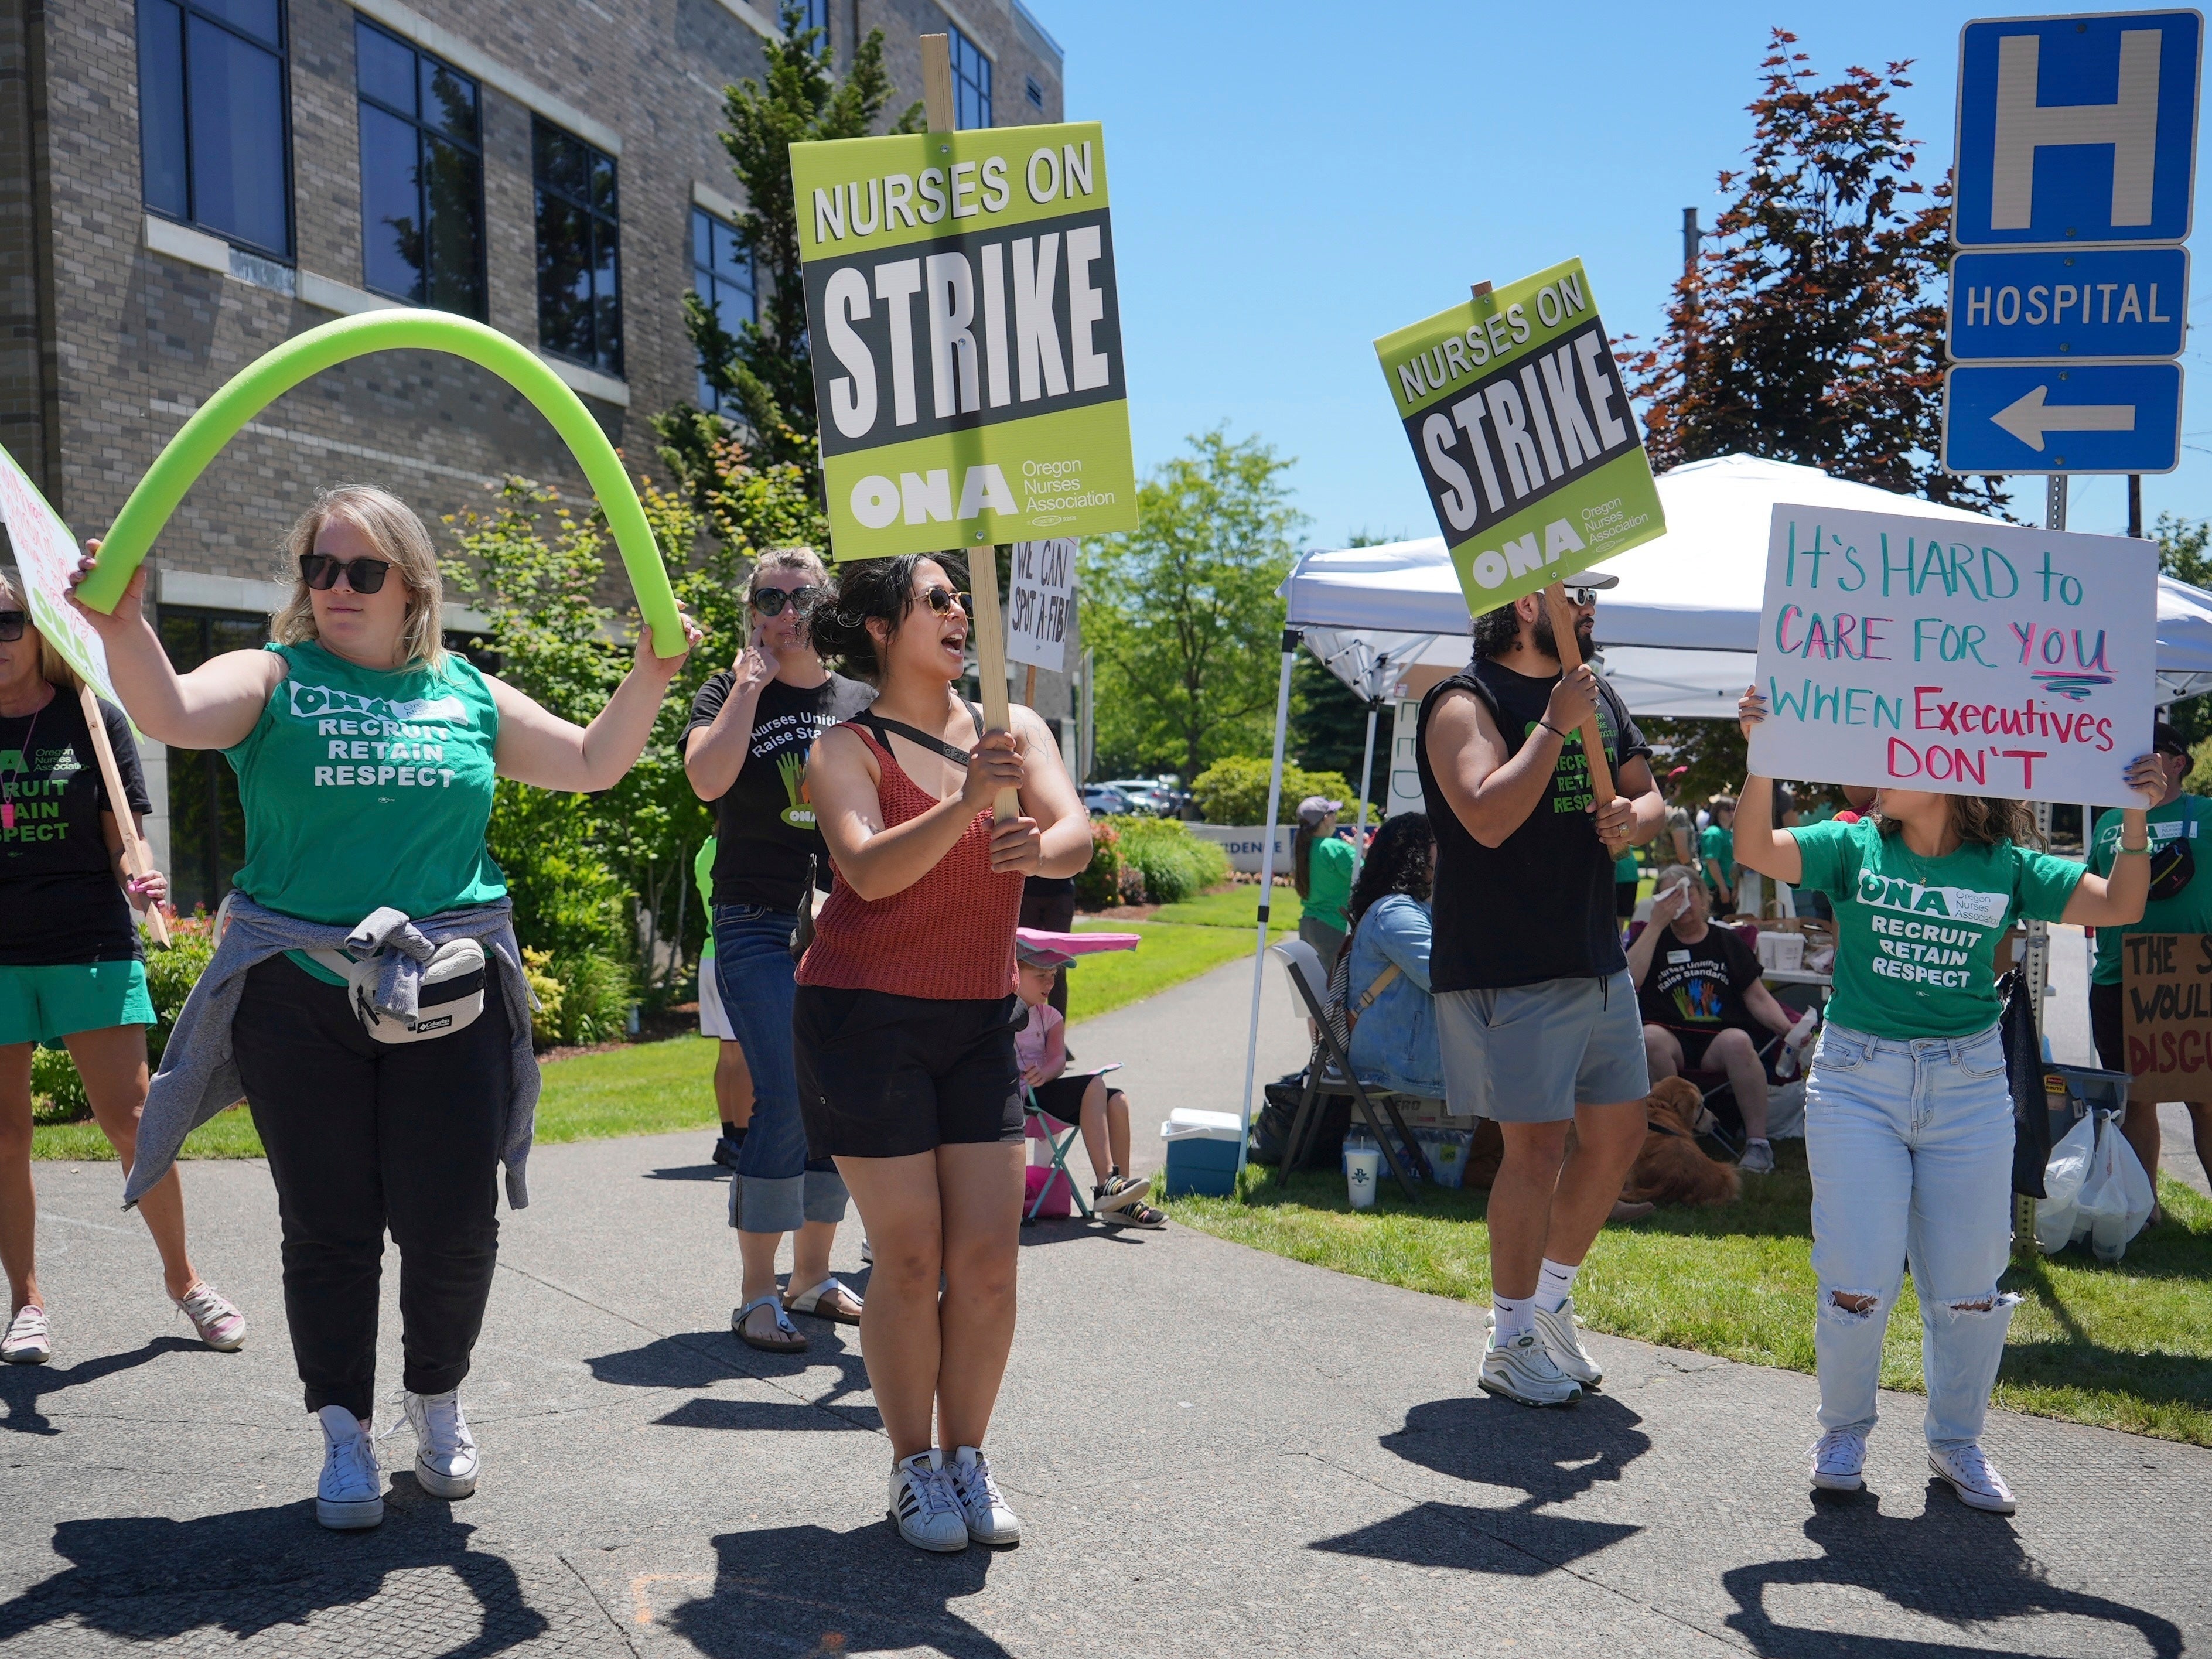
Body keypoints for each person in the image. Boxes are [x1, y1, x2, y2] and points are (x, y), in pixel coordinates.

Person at [70, 484, 699, 1531]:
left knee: (453, 1226)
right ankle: (343, 1432)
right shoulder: (275, 677)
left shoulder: (466, 692)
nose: (336, 589)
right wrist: (126, 626)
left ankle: (437, 1399)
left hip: (446, 995)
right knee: (328, 1226)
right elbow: (169, 713)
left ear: (413, 586)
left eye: (363, 571)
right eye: (319, 568)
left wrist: (652, 673)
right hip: (297, 994)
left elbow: (595, 762)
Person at [1733, 684, 2158, 1513]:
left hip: (1969, 1089)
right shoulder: (1854, 846)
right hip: (1857, 1081)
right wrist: (1761, 756)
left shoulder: (2006, 867)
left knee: (1970, 1285)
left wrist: (2133, 817)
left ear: (1952, 773)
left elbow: (2124, 902)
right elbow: (1756, 846)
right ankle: (1844, 1429)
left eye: (1897, 755)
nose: (1877, 771)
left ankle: (1957, 1443)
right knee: (1855, 1276)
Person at [798, 554, 1092, 1554]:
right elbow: (870, 873)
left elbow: (1076, 835)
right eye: (937, 597)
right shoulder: (843, 746)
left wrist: (1037, 848)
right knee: (911, 1253)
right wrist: (970, 806)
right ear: (881, 626)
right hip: (861, 1019)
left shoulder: (1017, 731)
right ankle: (912, 1465)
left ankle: (969, 1457)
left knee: (989, 1262)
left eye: (961, 597)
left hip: (975, 1020)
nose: (961, 611)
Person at [1416, 573, 1665, 1408]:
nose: (1593, 613)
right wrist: (1557, 724)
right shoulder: (1463, 701)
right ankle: (1509, 1336)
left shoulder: (1601, 695)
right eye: (1581, 597)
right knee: (1535, 1149)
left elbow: (1649, 795)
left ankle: (1551, 1305)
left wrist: (1639, 818)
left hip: (1595, 955)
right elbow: (1486, 814)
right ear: (1532, 605)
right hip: (1513, 961)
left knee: (1620, 1136)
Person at [0, 575, 244, 1366]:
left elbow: (123, 846)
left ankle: (184, 1280)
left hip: (90, 946)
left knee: (135, 1125)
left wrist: (139, 877)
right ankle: (26, 1303)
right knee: (5, 1138)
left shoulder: (91, 721)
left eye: (7, 623)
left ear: (37, 629)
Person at [684, 548, 871, 1353]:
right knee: (786, 1096)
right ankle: (757, 1293)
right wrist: (751, 688)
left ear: (824, 606)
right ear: (751, 607)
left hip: (849, 922)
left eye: (801, 597)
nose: (785, 609)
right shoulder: (728, 693)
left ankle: (813, 1277)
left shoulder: (861, 699)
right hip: (757, 920)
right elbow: (706, 780)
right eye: (770, 596)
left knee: (834, 1101)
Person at [2087, 721, 2212, 1200]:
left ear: (2178, 762)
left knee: (2205, 1101)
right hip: (2119, 979)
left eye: (2149, 752)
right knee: (2135, 1099)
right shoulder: (2108, 821)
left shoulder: (2206, 813)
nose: (2132, 761)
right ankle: (2145, 1209)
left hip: (2194, 980)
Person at [1626, 865, 1800, 1174]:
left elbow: (1757, 997)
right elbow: (1630, 982)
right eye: (1671, 896)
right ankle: (1675, 1139)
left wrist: (1789, 1030)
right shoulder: (1653, 940)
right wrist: (1654, 926)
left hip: (1717, 1043)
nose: (1682, 903)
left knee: (1739, 1041)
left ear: (1704, 899)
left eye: (1688, 893)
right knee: (1649, 1038)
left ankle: (1759, 1145)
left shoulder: (1726, 942)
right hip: (1669, 1037)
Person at [1013, 937, 1161, 1226]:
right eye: (1041, 975)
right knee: (1094, 1084)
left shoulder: (1050, 1016)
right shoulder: (999, 1014)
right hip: (1018, 1102)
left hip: (1045, 1091)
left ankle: (1122, 1198)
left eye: (1053, 976)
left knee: (1117, 1099)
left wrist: (1047, 1073)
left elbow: (1058, 1059)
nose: (1049, 984)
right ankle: (1107, 1182)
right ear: (1015, 974)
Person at [1343, 813, 1443, 1102]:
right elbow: (1444, 980)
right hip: (1399, 1065)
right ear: (1415, 853)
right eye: (1437, 841)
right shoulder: (1396, 913)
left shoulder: (1408, 907)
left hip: (1402, 1057)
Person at [691, 835, 755, 1170]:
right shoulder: (738, 844)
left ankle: (730, 1136)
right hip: (731, 955)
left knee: (728, 1054)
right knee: (743, 1052)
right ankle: (742, 1141)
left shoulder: (706, 849)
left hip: (709, 955)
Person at [1293, 796, 1357, 967]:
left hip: (1308, 925)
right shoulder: (1335, 847)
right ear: (1326, 819)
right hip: (1333, 926)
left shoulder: (1303, 847)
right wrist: (1361, 851)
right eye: (1333, 813)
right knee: (1334, 989)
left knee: (1316, 987)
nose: (1336, 817)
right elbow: (1370, 875)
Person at [1702, 796, 1737, 912]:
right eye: (1727, 809)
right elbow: (1712, 862)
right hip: (1716, 887)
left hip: (1730, 885)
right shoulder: (1713, 833)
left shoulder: (1731, 833)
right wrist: (1722, 887)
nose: (1731, 813)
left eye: (1734, 809)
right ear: (1717, 812)